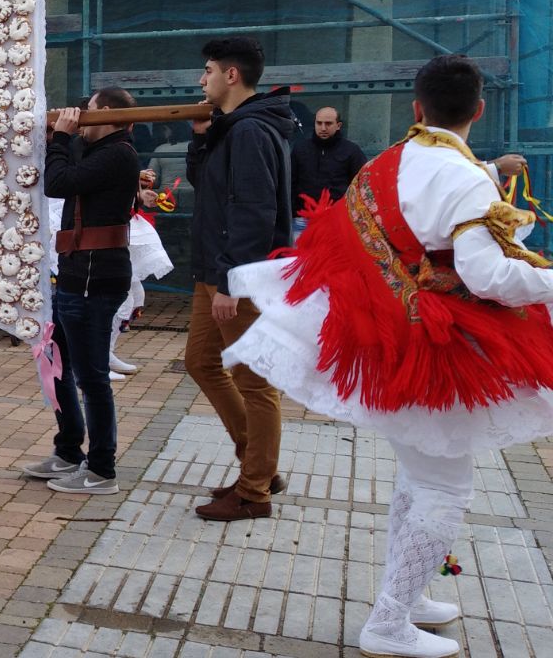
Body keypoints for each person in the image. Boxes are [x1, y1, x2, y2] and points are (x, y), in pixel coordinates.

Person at [224, 55, 552, 658]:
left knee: (420, 473)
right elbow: (485, 275)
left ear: (415, 108)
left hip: (383, 336)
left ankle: (409, 595)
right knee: (445, 486)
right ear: (480, 110)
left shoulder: (385, 162)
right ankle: (389, 620)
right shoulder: (467, 177)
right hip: (434, 348)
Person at [184, 36, 295, 521]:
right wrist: (201, 137)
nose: (200, 79)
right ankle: (259, 464)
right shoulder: (231, 129)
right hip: (214, 269)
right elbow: (204, 186)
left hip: (235, 276)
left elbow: (253, 211)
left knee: (254, 381)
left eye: (207, 70)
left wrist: (230, 282)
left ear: (231, 75)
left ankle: (254, 492)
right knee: (201, 362)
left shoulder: (251, 131)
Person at [21, 88, 142, 495]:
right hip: (75, 274)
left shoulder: (119, 153)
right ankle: (69, 451)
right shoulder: (98, 151)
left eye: (87, 110)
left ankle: (102, 468)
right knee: (59, 366)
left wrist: (61, 138)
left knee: (92, 379)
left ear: (104, 114)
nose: (81, 115)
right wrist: (67, 140)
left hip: (96, 278)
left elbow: (58, 182)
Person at [108, 171, 175, 379]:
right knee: (121, 297)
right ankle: (97, 356)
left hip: (120, 227)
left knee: (134, 296)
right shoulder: (95, 145)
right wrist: (136, 189)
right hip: (106, 232)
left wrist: (138, 192)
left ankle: (105, 353)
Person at [290, 107, 366, 243]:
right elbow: (291, 182)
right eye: (319, 123)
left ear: (338, 125)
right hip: (303, 219)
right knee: (301, 261)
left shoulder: (351, 151)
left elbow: (361, 185)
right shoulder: (300, 149)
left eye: (328, 123)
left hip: (338, 219)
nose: (323, 128)